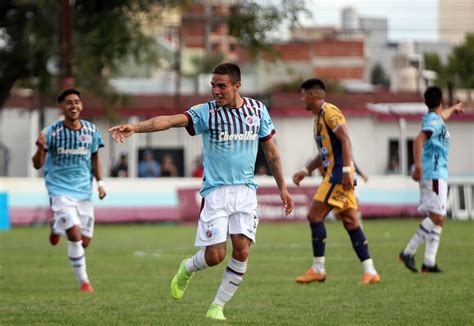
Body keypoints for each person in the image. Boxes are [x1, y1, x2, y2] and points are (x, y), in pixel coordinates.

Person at [109, 62, 294, 321]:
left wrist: (282, 188)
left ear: (237, 86)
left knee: (241, 251)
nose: (215, 91)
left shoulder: (257, 110)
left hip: (246, 192)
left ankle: (217, 306)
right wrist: (136, 128)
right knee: (216, 255)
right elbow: (170, 121)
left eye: (222, 86)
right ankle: (186, 268)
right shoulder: (206, 113)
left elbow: (271, 151)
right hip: (216, 193)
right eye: (212, 86)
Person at [292, 78, 380, 285]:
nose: (301, 99)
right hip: (336, 173)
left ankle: (318, 269)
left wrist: (348, 170)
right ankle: (371, 271)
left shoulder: (330, 111)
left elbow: (346, 139)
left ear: (313, 96)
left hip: (337, 175)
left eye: (303, 95)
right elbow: (325, 152)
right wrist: (306, 170)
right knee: (351, 221)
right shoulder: (317, 118)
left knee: (314, 215)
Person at [32, 88, 106, 293]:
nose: (73, 106)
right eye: (68, 102)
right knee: (74, 235)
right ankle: (84, 282)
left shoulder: (91, 131)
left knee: (85, 241)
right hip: (59, 191)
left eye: (76, 102)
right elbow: (37, 165)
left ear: (81, 106)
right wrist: (39, 148)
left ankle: (56, 226)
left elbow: (95, 158)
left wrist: (100, 183)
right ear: (61, 107)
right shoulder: (50, 132)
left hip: (83, 192)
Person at [399, 87, 464, 273]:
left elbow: (442, 116)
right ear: (441, 99)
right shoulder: (433, 121)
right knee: (437, 217)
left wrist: (453, 109)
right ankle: (407, 252)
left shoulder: (434, 118)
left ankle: (428, 262)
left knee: (439, 219)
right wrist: (418, 166)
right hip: (433, 173)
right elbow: (418, 140)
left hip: (438, 174)